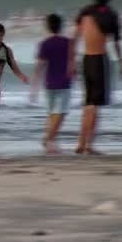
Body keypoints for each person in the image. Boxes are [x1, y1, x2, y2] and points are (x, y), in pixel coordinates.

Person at [69, 0, 122, 155]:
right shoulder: (110, 15)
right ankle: (87, 145)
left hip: (85, 59)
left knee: (88, 104)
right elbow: (116, 43)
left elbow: (74, 39)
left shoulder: (85, 12)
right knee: (95, 105)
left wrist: (70, 63)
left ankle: (81, 143)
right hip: (100, 60)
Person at [30, 14, 71, 154]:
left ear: (47, 26)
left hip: (49, 83)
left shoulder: (44, 44)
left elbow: (39, 67)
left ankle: (51, 142)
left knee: (51, 114)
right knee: (61, 113)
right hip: (64, 82)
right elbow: (73, 63)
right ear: (61, 26)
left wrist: (34, 88)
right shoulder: (68, 42)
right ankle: (48, 139)